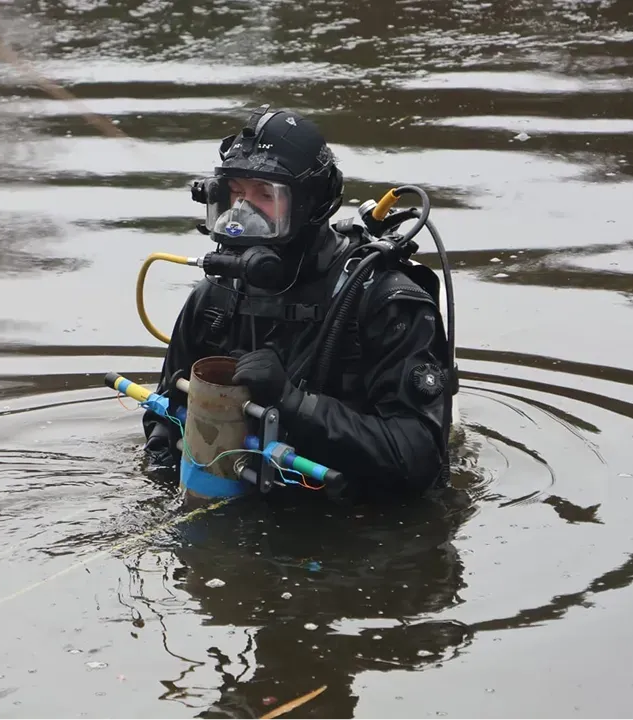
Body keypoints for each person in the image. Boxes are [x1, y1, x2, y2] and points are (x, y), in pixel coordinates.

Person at [142, 104, 456, 504]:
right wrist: (160, 473)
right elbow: (164, 409)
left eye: (264, 196)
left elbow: (420, 459)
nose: (243, 212)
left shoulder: (383, 301)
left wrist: (294, 404)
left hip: (352, 526)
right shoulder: (215, 296)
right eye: (235, 193)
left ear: (312, 204)